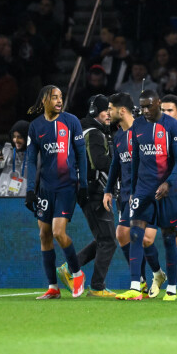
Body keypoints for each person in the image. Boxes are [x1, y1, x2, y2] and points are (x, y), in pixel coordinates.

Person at [115, 89, 177, 302]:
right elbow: (136, 159)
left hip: (168, 190)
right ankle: (136, 287)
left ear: (158, 103)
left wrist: (169, 182)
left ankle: (172, 288)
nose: (145, 110)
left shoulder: (173, 126)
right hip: (143, 189)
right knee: (135, 234)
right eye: (142, 106)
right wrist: (133, 189)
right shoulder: (137, 126)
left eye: (149, 106)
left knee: (168, 238)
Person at [24, 85, 88, 300]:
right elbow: (31, 160)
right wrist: (30, 190)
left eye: (61, 97)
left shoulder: (71, 122)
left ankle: (77, 273)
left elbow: (81, 154)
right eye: (54, 97)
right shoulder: (35, 126)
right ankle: (53, 287)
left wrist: (84, 184)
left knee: (59, 232)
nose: (59, 101)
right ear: (44, 100)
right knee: (44, 234)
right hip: (45, 188)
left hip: (66, 186)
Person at [56, 95, 117, 297]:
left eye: (110, 110)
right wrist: (120, 161)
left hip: (86, 190)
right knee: (108, 240)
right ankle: (97, 287)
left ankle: (71, 266)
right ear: (94, 112)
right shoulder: (94, 133)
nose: (109, 114)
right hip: (95, 191)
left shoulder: (84, 131)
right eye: (104, 110)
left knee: (104, 238)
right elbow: (100, 163)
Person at [138, 94, 177, 299]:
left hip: (173, 193)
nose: (167, 113)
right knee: (146, 238)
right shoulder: (145, 127)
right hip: (151, 192)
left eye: (171, 110)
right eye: (165, 109)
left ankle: (172, 285)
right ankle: (157, 275)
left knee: (172, 240)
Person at [103, 92, 149, 295]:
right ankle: (144, 279)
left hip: (143, 192)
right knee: (124, 236)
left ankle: (137, 284)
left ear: (122, 110)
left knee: (138, 236)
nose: (108, 112)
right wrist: (108, 190)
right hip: (125, 193)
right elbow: (115, 165)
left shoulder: (143, 130)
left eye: (110, 108)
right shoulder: (119, 135)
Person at [0, 120, 29, 196]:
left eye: (20, 137)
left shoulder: (36, 155)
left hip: (21, 204)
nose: (16, 140)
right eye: (14, 137)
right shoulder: (6, 150)